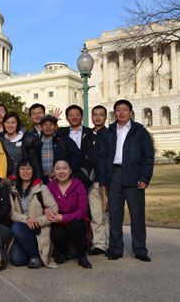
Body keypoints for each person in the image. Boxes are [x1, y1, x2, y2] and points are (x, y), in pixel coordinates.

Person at [99, 99, 154, 262]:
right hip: (113, 176)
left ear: (130, 112)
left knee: (137, 215)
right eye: (118, 110)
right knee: (115, 215)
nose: (121, 112)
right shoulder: (109, 131)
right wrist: (104, 179)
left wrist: (144, 177)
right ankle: (115, 249)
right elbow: (102, 157)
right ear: (114, 113)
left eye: (124, 109)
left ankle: (140, 249)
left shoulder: (140, 131)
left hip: (134, 176)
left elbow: (148, 156)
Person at [9, 158, 58, 269]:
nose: (25, 172)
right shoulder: (13, 190)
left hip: (38, 229)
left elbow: (54, 209)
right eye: (22, 169)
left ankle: (35, 256)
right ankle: (34, 253)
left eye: (28, 169)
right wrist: (26, 219)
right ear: (18, 171)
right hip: (23, 228)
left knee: (16, 227)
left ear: (33, 171)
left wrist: (38, 221)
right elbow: (11, 213)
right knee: (17, 260)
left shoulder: (42, 188)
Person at [46, 159, 92, 269]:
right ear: (54, 172)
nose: (61, 172)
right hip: (58, 222)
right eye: (58, 168)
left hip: (76, 220)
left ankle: (81, 256)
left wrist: (63, 217)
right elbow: (44, 204)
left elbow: (82, 211)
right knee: (56, 233)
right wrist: (46, 210)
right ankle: (63, 252)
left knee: (75, 225)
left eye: (65, 168)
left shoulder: (79, 185)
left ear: (70, 170)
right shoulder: (50, 186)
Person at [80, 105, 109, 256]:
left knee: (108, 215)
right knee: (96, 215)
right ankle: (100, 244)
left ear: (105, 117)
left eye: (101, 115)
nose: (97, 117)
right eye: (95, 115)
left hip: (107, 182)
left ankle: (111, 243)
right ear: (91, 117)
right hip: (93, 181)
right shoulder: (88, 137)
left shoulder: (110, 134)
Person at [30, 115, 81, 184]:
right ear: (41, 128)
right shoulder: (36, 143)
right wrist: (44, 178)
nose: (48, 127)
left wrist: (64, 173)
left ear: (56, 127)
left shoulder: (64, 140)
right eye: (45, 125)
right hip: (44, 181)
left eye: (51, 124)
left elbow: (77, 157)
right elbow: (35, 164)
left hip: (64, 180)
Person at [0, 112, 30, 179]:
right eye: (7, 123)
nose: (10, 125)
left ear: (17, 124)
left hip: (23, 177)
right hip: (6, 178)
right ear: (3, 124)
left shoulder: (26, 139)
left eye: (13, 123)